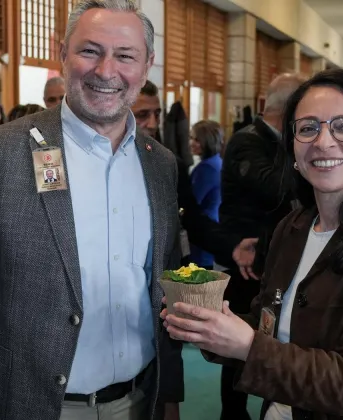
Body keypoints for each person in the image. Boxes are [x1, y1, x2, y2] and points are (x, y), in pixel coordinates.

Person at [0, 2, 183, 420]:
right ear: (62, 52)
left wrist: (169, 394)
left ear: (147, 65)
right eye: (90, 51)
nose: (105, 70)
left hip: (140, 401)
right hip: (35, 406)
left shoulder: (160, 163)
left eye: (125, 56)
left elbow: (163, 283)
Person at [163, 68, 343, 420]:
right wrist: (212, 327)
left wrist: (246, 345)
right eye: (308, 128)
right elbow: (269, 324)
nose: (323, 142)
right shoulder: (291, 228)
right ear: (291, 147)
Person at [216, 73, 306, 420]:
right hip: (247, 258)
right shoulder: (247, 141)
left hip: (275, 255)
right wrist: (296, 146)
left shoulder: (274, 140)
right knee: (237, 341)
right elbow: (278, 189)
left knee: (273, 338)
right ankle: (233, 414)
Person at [131, 81, 255, 267]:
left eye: (157, 114)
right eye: (142, 115)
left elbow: (193, 220)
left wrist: (233, 246)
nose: (153, 123)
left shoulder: (168, 164)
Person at [187, 120, 224, 267]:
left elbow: (191, 201)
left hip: (202, 231)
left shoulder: (206, 168)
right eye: (191, 138)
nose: (192, 143)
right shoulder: (216, 162)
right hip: (211, 227)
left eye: (196, 139)